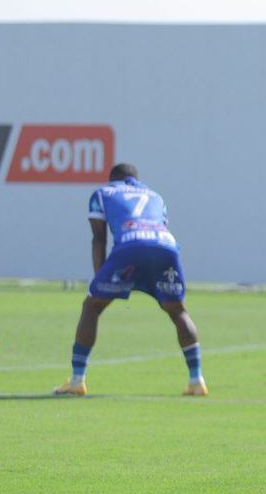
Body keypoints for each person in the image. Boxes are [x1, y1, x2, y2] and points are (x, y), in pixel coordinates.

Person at [53, 163, 206, 397]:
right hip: (166, 246)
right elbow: (159, 229)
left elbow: (98, 238)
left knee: (91, 306)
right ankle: (196, 381)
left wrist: (99, 283)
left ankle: (77, 380)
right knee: (177, 311)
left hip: (130, 246)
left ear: (112, 179)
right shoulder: (155, 196)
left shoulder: (103, 193)